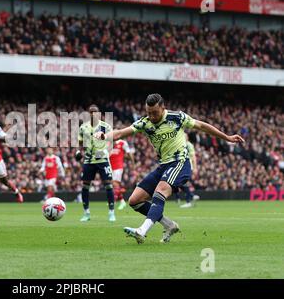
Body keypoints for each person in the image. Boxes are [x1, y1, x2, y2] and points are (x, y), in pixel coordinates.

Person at [96, 93, 244, 243]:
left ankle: (142, 231)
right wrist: (105, 136)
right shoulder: (145, 123)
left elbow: (201, 126)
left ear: (163, 108)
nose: (152, 116)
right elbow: (121, 132)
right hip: (164, 165)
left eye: (155, 112)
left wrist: (227, 137)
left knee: (160, 191)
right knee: (135, 200)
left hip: (180, 162)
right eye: (149, 113)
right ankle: (169, 225)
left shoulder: (177, 117)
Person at [75, 104, 116, 222]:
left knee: (108, 184)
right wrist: (78, 151)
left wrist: (105, 151)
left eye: (95, 112)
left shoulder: (105, 126)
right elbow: (80, 142)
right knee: (85, 185)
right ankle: (86, 213)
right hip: (88, 160)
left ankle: (111, 212)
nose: (93, 114)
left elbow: (110, 142)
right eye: (91, 112)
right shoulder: (83, 127)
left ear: (98, 114)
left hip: (102, 159)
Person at [109, 139, 135, 210]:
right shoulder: (108, 144)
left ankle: (113, 201)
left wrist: (133, 163)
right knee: (114, 185)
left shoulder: (122, 143)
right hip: (110, 167)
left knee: (115, 184)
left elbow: (129, 153)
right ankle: (122, 201)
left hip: (118, 167)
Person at [178, 134, 199, 208]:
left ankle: (189, 200)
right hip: (182, 166)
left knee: (183, 183)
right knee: (180, 183)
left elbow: (193, 157)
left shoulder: (189, 145)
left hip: (187, 166)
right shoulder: (181, 144)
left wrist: (195, 167)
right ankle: (191, 196)